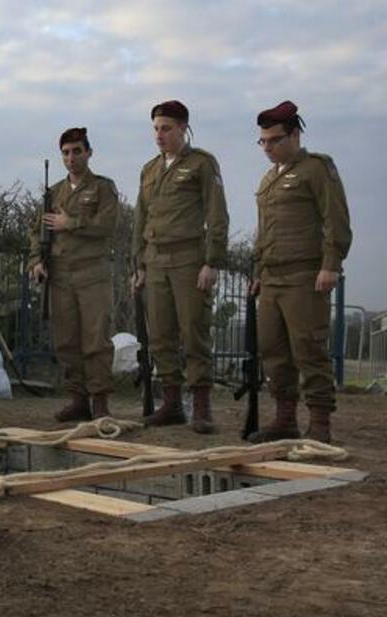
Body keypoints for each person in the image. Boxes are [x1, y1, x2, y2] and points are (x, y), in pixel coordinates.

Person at [247, 100, 351, 444]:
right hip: (273, 278)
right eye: (262, 141)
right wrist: (260, 270)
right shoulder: (268, 178)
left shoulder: (316, 169)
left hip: (305, 275)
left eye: (274, 140)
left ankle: (320, 422)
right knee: (273, 350)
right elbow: (265, 230)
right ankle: (285, 419)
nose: (267, 148)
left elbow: (334, 219)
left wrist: (330, 265)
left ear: (294, 134)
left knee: (308, 348)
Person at [131, 100, 229, 434]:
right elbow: (140, 218)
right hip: (155, 261)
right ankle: (171, 404)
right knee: (160, 336)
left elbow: (217, 214)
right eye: (156, 128)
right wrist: (139, 263)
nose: (159, 135)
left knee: (195, 332)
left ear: (184, 128)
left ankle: (201, 406)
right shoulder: (149, 169)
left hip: (189, 259)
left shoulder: (201, 163)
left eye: (167, 128)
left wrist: (212, 261)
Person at [28, 127, 119, 421]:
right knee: (66, 341)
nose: (71, 157)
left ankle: (101, 402)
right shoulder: (53, 193)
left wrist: (72, 223)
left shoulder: (103, 187)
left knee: (96, 340)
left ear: (89, 152)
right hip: (61, 275)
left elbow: (107, 225)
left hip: (92, 273)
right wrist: (36, 262)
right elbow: (37, 233)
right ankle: (78, 399)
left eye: (77, 151)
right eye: (65, 153)